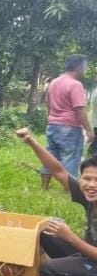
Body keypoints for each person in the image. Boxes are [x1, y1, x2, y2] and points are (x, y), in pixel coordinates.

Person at [16, 128, 97, 276]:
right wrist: (31, 141)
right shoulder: (89, 197)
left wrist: (70, 237)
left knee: (48, 269)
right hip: (89, 256)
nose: (91, 185)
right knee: (47, 231)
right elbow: (59, 171)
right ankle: (73, 270)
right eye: (87, 178)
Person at [41, 55, 94, 189]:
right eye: (85, 67)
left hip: (53, 125)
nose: (85, 70)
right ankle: (69, 190)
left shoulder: (54, 82)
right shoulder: (76, 85)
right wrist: (89, 130)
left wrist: (51, 120)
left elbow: (49, 104)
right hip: (69, 128)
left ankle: (44, 187)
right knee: (70, 158)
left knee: (49, 157)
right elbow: (79, 110)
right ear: (79, 67)